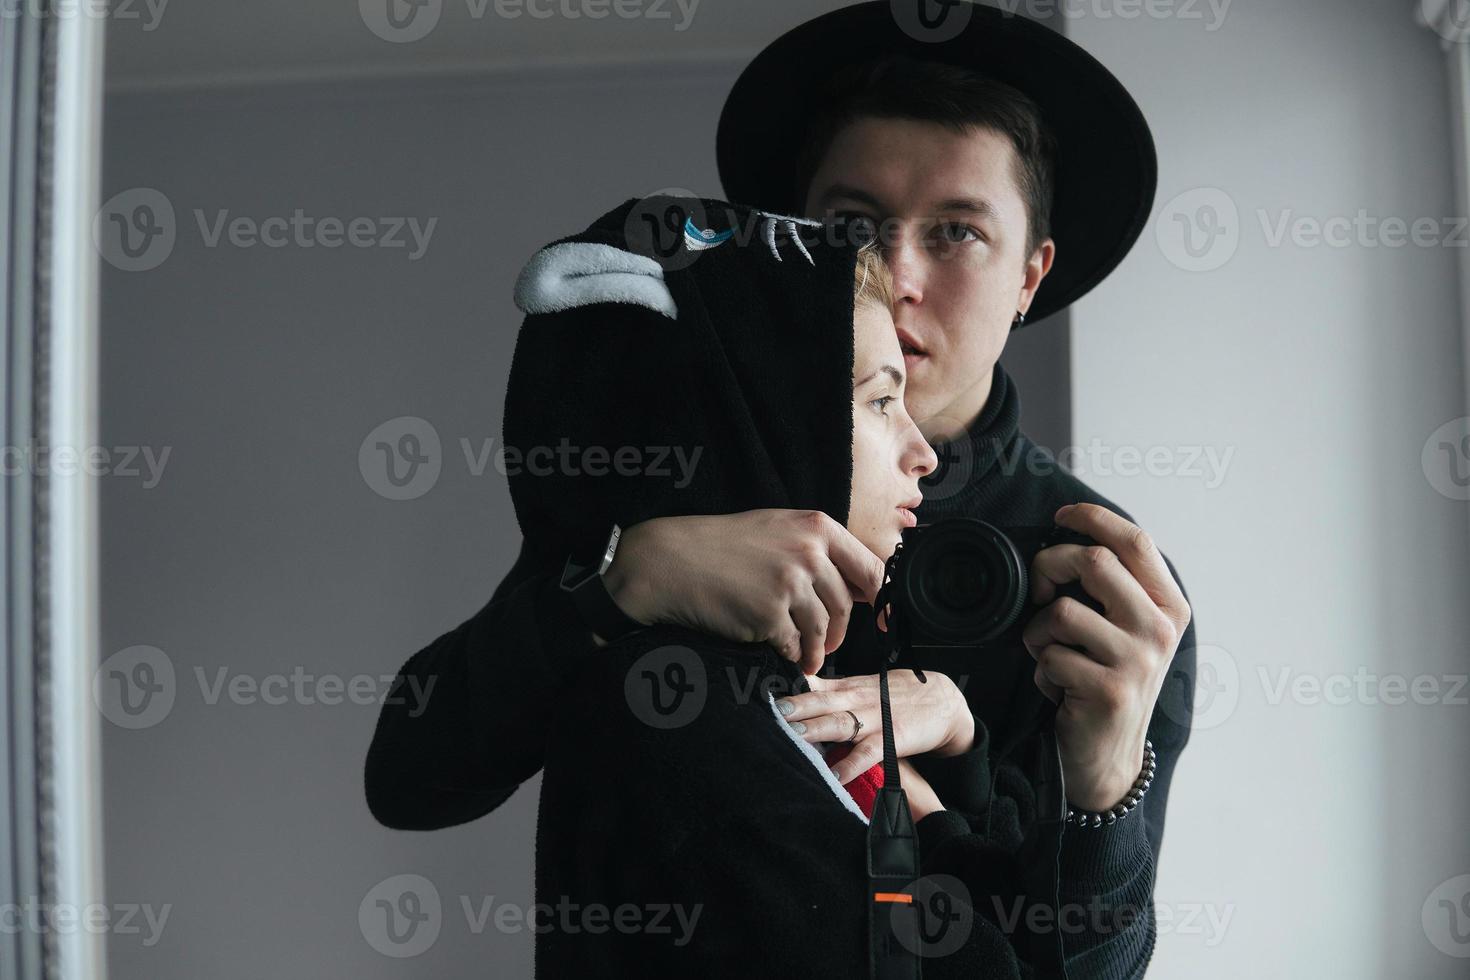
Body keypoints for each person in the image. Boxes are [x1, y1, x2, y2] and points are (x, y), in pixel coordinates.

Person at [365, 5, 1197, 977]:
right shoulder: (679, 492)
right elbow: (414, 775)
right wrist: (625, 576)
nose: (898, 270)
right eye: (852, 227)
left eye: (960, 231)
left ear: (1030, 273)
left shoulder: (1102, 586)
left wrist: (1101, 785)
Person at [511, 195, 1039, 978]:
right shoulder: (688, 725)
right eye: (880, 401)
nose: (923, 450)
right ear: (765, 425)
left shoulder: (746, 698)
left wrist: (959, 746)